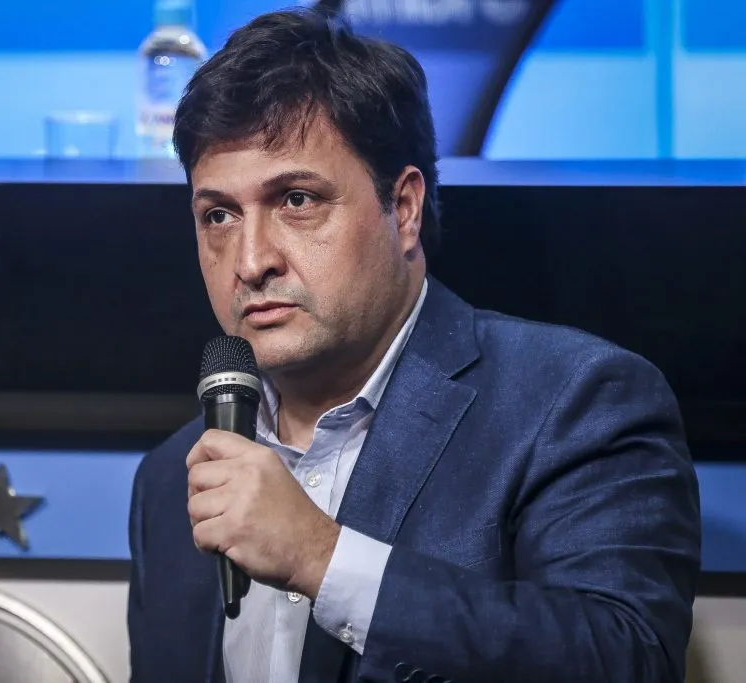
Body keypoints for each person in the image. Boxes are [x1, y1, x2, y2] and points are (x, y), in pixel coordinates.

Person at [126, 8, 701, 683]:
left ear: (402, 210)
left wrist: (322, 555)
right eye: (218, 215)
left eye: (297, 200)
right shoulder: (171, 477)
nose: (250, 261)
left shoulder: (577, 403)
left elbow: (624, 659)